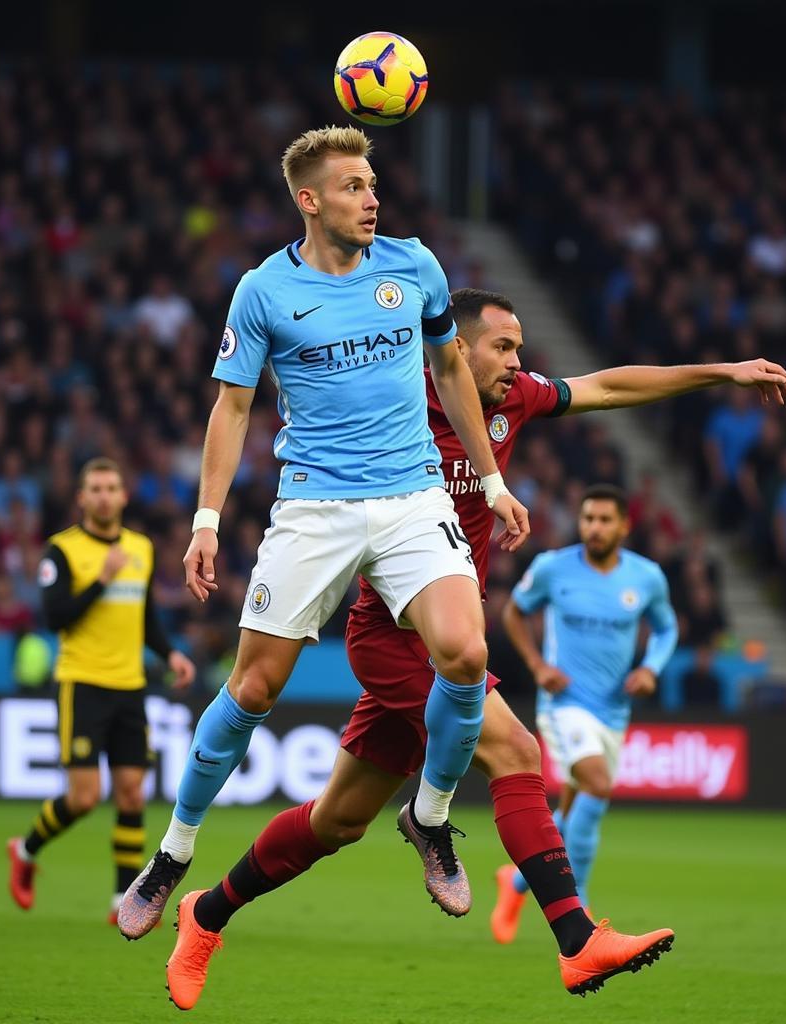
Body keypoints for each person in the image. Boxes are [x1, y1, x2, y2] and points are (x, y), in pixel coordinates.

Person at [157, 289, 786, 1007]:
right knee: (518, 754)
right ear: (454, 347)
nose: (519, 363)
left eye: (521, 347)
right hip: (396, 639)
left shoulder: (512, 400)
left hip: (447, 640)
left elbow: (609, 384)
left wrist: (725, 371)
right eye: (505, 347)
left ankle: (205, 914)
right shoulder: (391, 402)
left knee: (336, 821)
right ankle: (577, 940)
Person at [117, 127, 532, 940]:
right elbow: (232, 408)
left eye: (372, 183)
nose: (371, 197)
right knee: (252, 691)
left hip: (414, 496)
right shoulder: (263, 290)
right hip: (316, 508)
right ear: (309, 200)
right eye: (351, 186)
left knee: (469, 654)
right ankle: (173, 853)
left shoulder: (414, 267)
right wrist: (206, 522)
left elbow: (451, 371)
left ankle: (432, 816)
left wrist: (491, 479)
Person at [6, 457, 195, 923]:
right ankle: (25, 849)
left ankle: (120, 900)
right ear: (82, 498)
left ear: (124, 496)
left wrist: (168, 653)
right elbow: (55, 619)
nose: (105, 495)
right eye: (96, 488)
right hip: (83, 683)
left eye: (113, 487)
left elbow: (145, 613)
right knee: (85, 797)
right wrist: (102, 579)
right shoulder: (62, 552)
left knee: (132, 794)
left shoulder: (141, 548)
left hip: (130, 685)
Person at [491, 484, 679, 939]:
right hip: (564, 704)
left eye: (604, 520)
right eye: (588, 519)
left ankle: (515, 883)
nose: (594, 528)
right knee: (596, 782)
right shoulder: (553, 568)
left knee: (575, 808)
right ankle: (583, 907)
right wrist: (538, 665)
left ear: (623, 525)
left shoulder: (646, 577)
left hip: (614, 710)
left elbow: (667, 627)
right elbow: (514, 613)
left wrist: (651, 669)